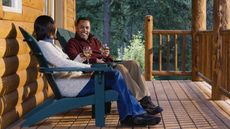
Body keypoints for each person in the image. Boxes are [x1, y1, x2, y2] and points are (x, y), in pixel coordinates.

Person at [33, 15, 161, 126]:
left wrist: (103, 57)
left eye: (87, 27)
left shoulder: (50, 45)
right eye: (53, 26)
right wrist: (90, 66)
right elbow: (63, 63)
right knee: (116, 75)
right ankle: (133, 114)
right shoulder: (46, 46)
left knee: (116, 75)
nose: (55, 29)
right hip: (72, 85)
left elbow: (66, 62)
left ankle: (134, 113)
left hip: (76, 79)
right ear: (49, 28)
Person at [66, 17, 163, 115]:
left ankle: (147, 99)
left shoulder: (94, 41)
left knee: (134, 63)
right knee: (120, 68)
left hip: (107, 65)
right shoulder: (72, 43)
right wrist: (94, 60)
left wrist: (106, 56)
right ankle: (142, 101)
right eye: (82, 27)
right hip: (96, 71)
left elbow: (109, 59)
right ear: (76, 27)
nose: (85, 30)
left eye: (87, 28)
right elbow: (75, 60)